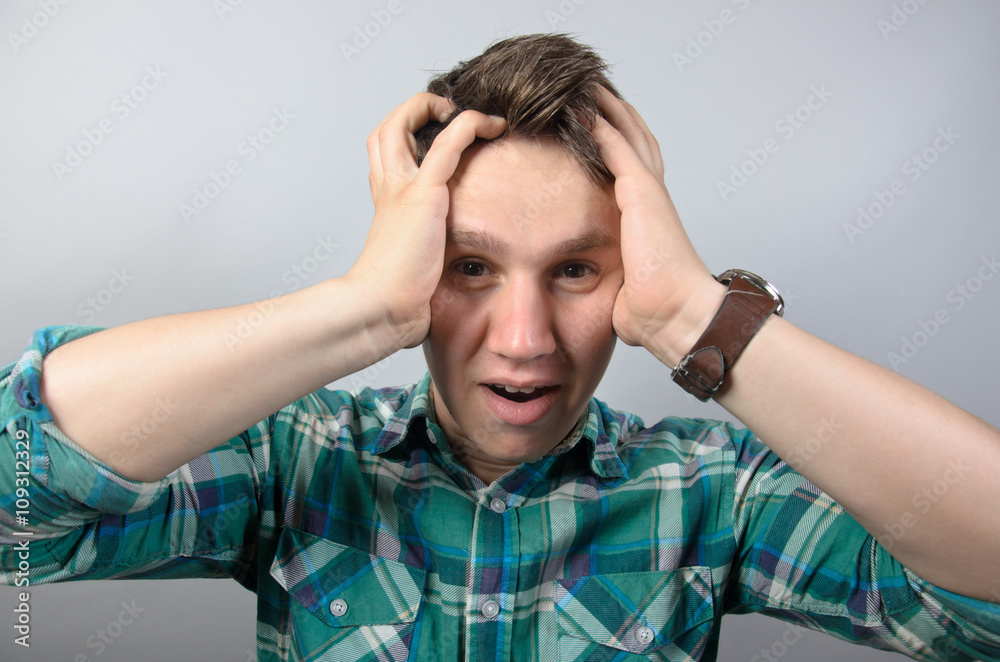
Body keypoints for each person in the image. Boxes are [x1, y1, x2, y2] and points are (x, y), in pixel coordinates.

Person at [2, 33, 998, 661]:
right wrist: (360, 311)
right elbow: (17, 505)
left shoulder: (709, 493)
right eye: (470, 266)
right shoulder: (294, 459)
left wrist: (696, 318)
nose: (524, 342)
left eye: (576, 270)